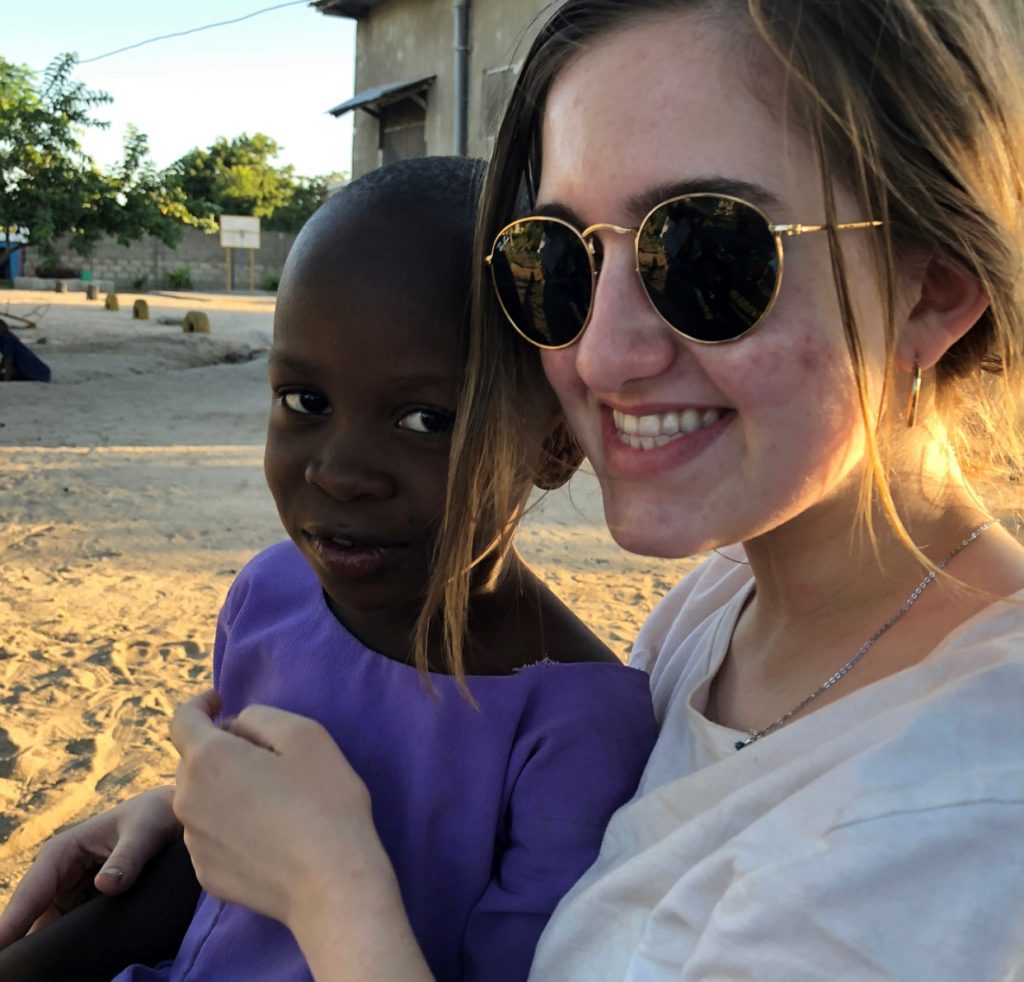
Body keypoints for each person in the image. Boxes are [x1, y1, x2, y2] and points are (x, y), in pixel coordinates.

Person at [7, 0, 1024, 977]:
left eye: (705, 252)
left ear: (931, 289)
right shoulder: (723, 613)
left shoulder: (962, 825)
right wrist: (218, 831)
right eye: (555, 260)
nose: (600, 353)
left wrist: (326, 891)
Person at [0, 156, 657, 981]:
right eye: (305, 402)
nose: (341, 471)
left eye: (425, 419)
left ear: (557, 442)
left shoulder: (579, 723)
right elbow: (220, 878)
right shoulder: (268, 597)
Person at [0, 318, 50, 382]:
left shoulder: (7, 340)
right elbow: (5, 360)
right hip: (43, 373)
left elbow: (8, 362)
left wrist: (6, 382)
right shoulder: (9, 337)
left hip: (36, 376)